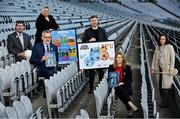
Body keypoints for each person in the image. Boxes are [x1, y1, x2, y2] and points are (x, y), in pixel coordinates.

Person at [82, 15, 108, 93]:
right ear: (90, 22)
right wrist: (89, 40)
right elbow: (83, 42)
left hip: (100, 54)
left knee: (101, 71)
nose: (94, 22)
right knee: (91, 73)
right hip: (91, 54)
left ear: (97, 21)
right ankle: (91, 88)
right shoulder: (87, 31)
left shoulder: (102, 30)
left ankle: (100, 87)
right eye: (92, 21)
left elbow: (106, 41)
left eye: (95, 20)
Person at [108, 52, 138, 117]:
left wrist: (122, 83)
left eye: (121, 57)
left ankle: (129, 106)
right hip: (115, 86)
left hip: (125, 86)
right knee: (118, 87)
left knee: (121, 90)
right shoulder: (111, 67)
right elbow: (109, 79)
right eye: (118, 57)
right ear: (115, 58)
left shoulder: (127, 67)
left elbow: (130, 80)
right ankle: (130, 103)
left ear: (123, 59)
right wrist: (114, 82)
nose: (119, 59)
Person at [151, 34, 175, 107]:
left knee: (166, 87)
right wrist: (152, 68)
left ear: (166, 40)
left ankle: (165, 103)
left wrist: (171, 69)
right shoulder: (157, 47)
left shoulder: (170, 47)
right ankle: (163, 101)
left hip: (166, 70)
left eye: (163, 39)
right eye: (161, 39)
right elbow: (154, 58)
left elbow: (172, 58)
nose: (162, 40)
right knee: (160, 86)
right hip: (159, 70)